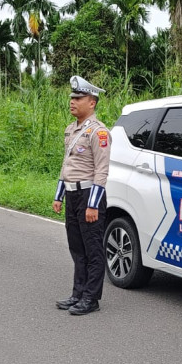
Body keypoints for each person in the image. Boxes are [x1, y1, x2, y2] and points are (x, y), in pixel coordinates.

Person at [52, 76, 110, 316]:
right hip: (73, 194)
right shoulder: (71, 130)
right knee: (76, 247)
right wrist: (59, 195)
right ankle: (77, 293)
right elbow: (67, 165)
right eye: (72, 98)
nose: (72, 102)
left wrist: (93, 204)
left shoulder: (99, 132)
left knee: (92, 249)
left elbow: (102, 170)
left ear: (92, 102)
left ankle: (91, 298)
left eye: (78, 98)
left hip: (89, 196)